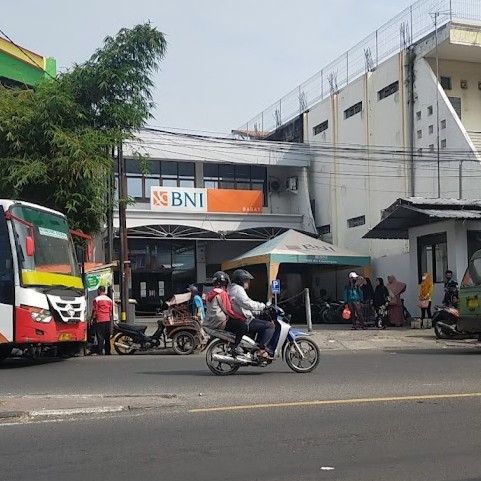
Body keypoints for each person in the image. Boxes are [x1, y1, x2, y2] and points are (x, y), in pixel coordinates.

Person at [228, 269, 275, 359]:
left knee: (262, 322)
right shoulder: (238, 289)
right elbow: (247, 303)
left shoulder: (233, 288)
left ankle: (254, 348)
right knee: (270, 326)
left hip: (243, 317)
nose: (248, 282)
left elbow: (244, 306)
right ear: (240, 280)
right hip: (246, 320)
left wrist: (259, 310)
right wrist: (263, 306)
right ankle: (261, 351)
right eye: (246, 280)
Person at [204, 271, 247, 356]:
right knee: (243, 326)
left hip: (211, 322)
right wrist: (241, 318)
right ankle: (236, 346)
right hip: (220, 322)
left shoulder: (210, 293)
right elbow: (228, 310)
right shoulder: (222, 293)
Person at [91, 285, 113, 355]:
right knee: (107, 337)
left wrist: (92, 318)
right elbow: (110, 311)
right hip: (107, 320)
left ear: (99, 291)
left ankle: (100, 351)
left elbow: (94, 310)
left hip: (100, 319)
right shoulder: (109, 300)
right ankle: (108, 351)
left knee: (100, 336)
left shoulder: (96, 299)